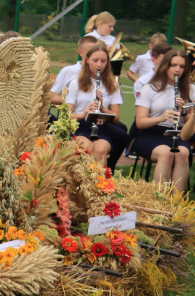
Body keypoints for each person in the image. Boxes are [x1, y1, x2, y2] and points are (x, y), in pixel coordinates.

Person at [132, 49, 194, 192]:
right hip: (150, 134)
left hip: (178, 134)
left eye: (182, 66)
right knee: (166, 154)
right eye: (173, 65)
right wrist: (161, 117)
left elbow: (190, 128)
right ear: (166, 66)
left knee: (183, 154)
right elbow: (140, 122)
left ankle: (177, 204)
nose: (178, 70)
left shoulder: (191, 90)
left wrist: (184, 113)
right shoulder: (150, 88)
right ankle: (160, 201)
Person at [65, 42, 128, 166]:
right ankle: (80, 183)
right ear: (87, 60)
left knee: (101, 150)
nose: (99, 65)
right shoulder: (75, 83)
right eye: (95, 60)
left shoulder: (113, 85)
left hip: (101, 127)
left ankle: (100, 184)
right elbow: (67, 115)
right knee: (86, 147)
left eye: (103, 61)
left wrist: (103, 108)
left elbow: (116, 117)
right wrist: (84, 114)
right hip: (78, 126)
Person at [48, 35, 99, 105]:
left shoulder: (104, 71)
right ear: (80, 52)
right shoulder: (69, 70)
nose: (94, 54)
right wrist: (72, 102)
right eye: (90, 51)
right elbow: (52, 95)